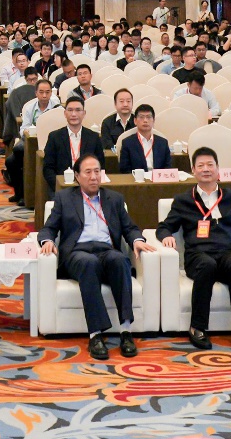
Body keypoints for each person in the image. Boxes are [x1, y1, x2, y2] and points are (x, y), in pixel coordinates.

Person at [39, 154, 153, 359]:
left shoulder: (114, 199)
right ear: (77, 176)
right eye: (88, 172)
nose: (93, 177)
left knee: (120, 260)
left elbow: (129, 227)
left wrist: (137, 240)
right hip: (78, 253)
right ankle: (96, 334)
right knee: (89, 263)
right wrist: (47, 241)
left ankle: (126, 331)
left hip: (106, 250)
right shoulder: (65, 198)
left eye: (97, 171)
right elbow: (49, 228)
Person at [159, 147, 231, 352]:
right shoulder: (184, 200)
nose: (206, 169)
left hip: (226, 253)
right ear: (193, 170)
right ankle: (197, 327)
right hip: (198, 256)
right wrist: (166, 236)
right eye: (201, 165)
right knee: (207, 265)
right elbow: (165, 226)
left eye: (210, 165)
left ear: (218, 169)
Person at [42, 97, 103, 194]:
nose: (74, 114)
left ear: (84, 113)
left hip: (88, 187)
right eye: (70, 110)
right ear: (65, 113)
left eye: (78, 110)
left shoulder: (94, 137)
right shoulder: (54, 137)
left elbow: (101, 165)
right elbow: (48, 168)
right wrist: (59, 186)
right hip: (62, 187)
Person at [117, 103, 172, 174]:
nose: (145, 120)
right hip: (137, 179)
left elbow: (168, 167)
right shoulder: (127, 143)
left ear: (153, 121)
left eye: (148, 117)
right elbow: (124, 170)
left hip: (158, 179)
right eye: (141, 117)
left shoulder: (163, 142)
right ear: (135, 121)